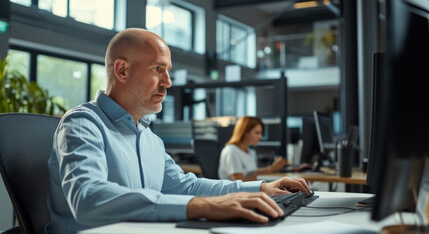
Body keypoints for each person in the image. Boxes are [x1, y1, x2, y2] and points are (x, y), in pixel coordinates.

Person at [45, 28, 310, 234]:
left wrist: (260, 189)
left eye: (168, 71)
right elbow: (88, 199)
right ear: (122, 70)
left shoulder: (149, 138)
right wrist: (201, 206)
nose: (168, 82)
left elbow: (186, 187)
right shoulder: (83, 124)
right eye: (157, 69)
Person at [218, 116, 288, 181]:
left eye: (261, 133)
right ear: (245, 132)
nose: (260, 137)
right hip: (236, 193)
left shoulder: (250, 151)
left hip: (248, 191)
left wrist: (272, 168)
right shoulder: (231, 151)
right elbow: (239, 182)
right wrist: (269, 172)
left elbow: (253, 173)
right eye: (257, 133)